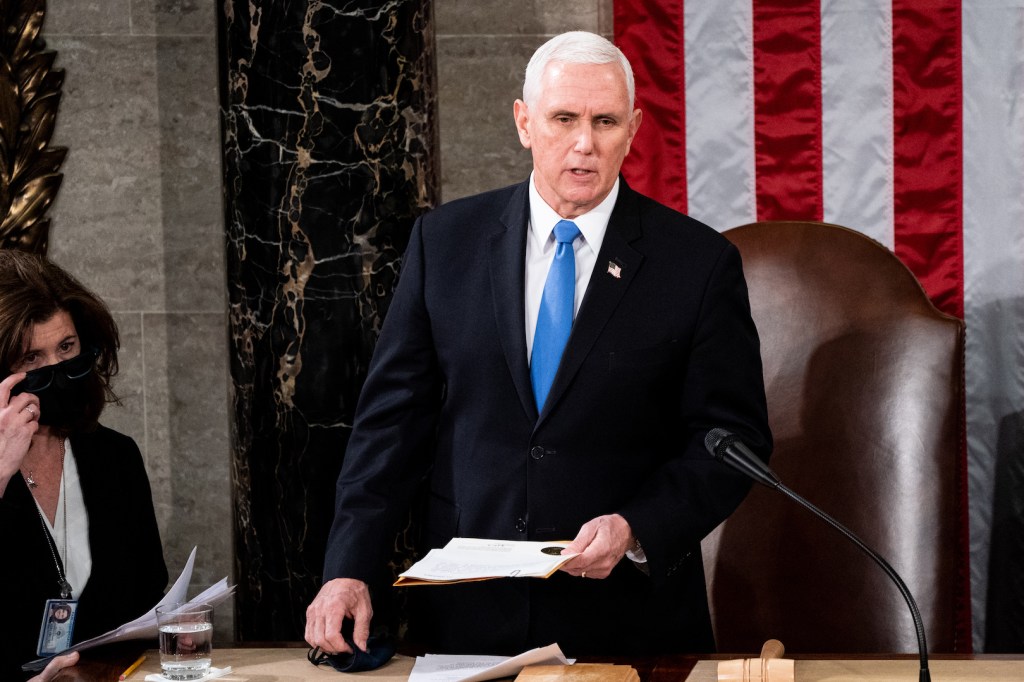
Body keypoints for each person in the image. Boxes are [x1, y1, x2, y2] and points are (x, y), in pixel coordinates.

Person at [305, 30, 772, 658]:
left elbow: (731, 441)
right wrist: (347, 567)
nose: (584, 144)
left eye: (605, 121)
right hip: (469, 621)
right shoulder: (445, 244)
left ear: (633, 129)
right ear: (524, 122)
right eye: (564, 118)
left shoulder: (697, 263)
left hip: (629, 624)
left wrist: (638, 528)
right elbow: (389, 427)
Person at [0, 250, 168, 680]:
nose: (57, 369)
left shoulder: (115, 456)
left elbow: (148, 594)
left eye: (66, 347)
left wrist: (169, 632)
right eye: (32, 359)